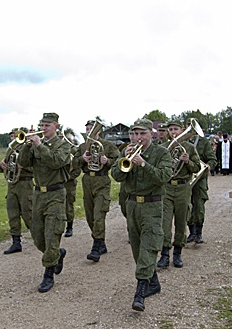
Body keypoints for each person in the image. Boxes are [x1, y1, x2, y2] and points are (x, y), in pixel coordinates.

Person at [111, 118, 172, 312]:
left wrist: (144, 164)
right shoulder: (126, 150)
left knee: (149, 246)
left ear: (151, 134)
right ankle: (153, 282)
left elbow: (164, 177)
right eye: (134, 134)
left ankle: (140, 292)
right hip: (132, 205)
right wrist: (124, 161)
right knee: (137, 249)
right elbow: (115, 175)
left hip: (152, 206)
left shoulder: (161, 153)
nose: (138, 138)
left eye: (142, 134)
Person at [17, 112, 73, 293]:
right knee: (38, 237)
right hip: (38, 194)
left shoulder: (63, 145)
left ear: (56, 126)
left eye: (47, 125)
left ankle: (48, 274)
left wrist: (39, 144)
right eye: (42, 125)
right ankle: (57, 254)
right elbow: (22, 162)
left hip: (56, 194)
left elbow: (56, 162)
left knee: (51, 234)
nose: (43, 128)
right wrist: (27, 144)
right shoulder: (34, 144)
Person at [72, 118, 121, 262]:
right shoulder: (82, 147)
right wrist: (82, 159)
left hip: (102, 180)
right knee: (90, 216)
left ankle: (96, 246)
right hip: (87, 180)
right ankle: (102, 243)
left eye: (92, 129)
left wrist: (108, 161)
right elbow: (73, 164)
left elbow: (119, 161)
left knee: (99, 214)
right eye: (87, 129)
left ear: (99, 131)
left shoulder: (108, 145)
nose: (90, 132)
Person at [156, 121, 201, 269]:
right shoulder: (163, 148)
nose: (173, 131)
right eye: (171, 129)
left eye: (176, 129)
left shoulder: (189, 147)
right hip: (167, 188)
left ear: (182, 130)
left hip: (183, 188)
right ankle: (164, 254)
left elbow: (197, 168)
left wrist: (187, 161)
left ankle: (178, 253)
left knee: (181, 222)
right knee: (165, 223)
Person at [0, 127, 33, 254]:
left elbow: (34, 166)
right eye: (12, 136)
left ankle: (38, 237)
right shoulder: (11, 151)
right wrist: (2, 164)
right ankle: (16, 242)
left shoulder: (29, 149)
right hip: (12, 184)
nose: (13, 139)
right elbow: (2, 168)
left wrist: (22, 166)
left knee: (28, 212)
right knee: (12, 213)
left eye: (15, 136)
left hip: (25, 183)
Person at [187, 126, 218, 244]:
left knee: (199, 206)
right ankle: (191, 232)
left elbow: (212, 159)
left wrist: (209, 166)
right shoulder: (183, 143)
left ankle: (199, 233)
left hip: (200, 180)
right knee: (188, 207)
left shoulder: (204, 142)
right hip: (186, 179)